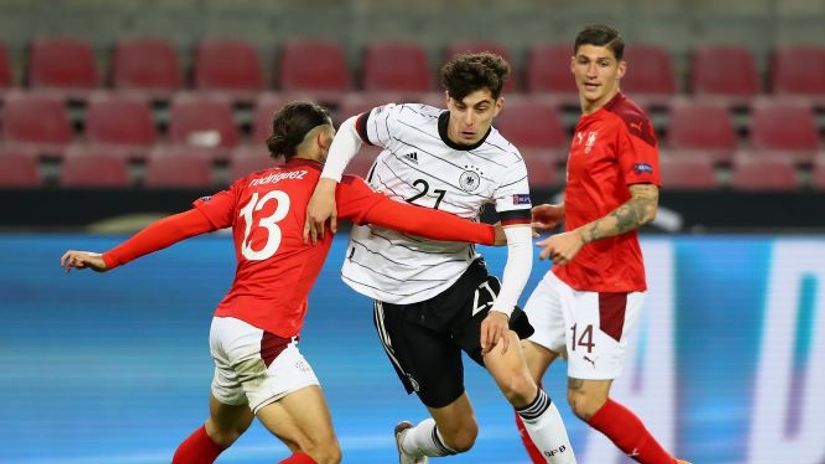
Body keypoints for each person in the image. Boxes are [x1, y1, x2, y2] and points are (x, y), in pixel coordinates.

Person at [60, 102, 508, 464]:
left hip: (227, 326)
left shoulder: (248, 185)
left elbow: (184, 223)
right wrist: (489, 233)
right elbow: (413, 219)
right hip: (263, 335)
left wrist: (111, 257)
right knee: (322, 454)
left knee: (222, 430)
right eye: (334, 141)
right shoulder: (334, 189)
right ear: (321, 141)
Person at [304, 54, 576, 463]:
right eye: (461, 106)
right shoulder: (405, 121)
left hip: (460, 282)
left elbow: (520, 246)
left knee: (518, 382)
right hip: (397, 299)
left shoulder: (505, 162)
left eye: (481, 108)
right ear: (447, 99)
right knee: (461, 435)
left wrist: (501, 312)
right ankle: (410, 445)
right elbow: (350, 130)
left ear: (498, 107)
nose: (469, 119)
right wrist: (327, 184)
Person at [512, 25, 690, 464]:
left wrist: (579, 233)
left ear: (620, 69)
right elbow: (600, 195)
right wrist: (563, 212)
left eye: (604, 63)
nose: (593, 72)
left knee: (587, 403)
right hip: (567, 277)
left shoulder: (628, 122)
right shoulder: (589, 121)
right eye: (586, 61)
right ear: (572, 64)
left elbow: (645, 206)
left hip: (607, 284)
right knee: (515, 377)